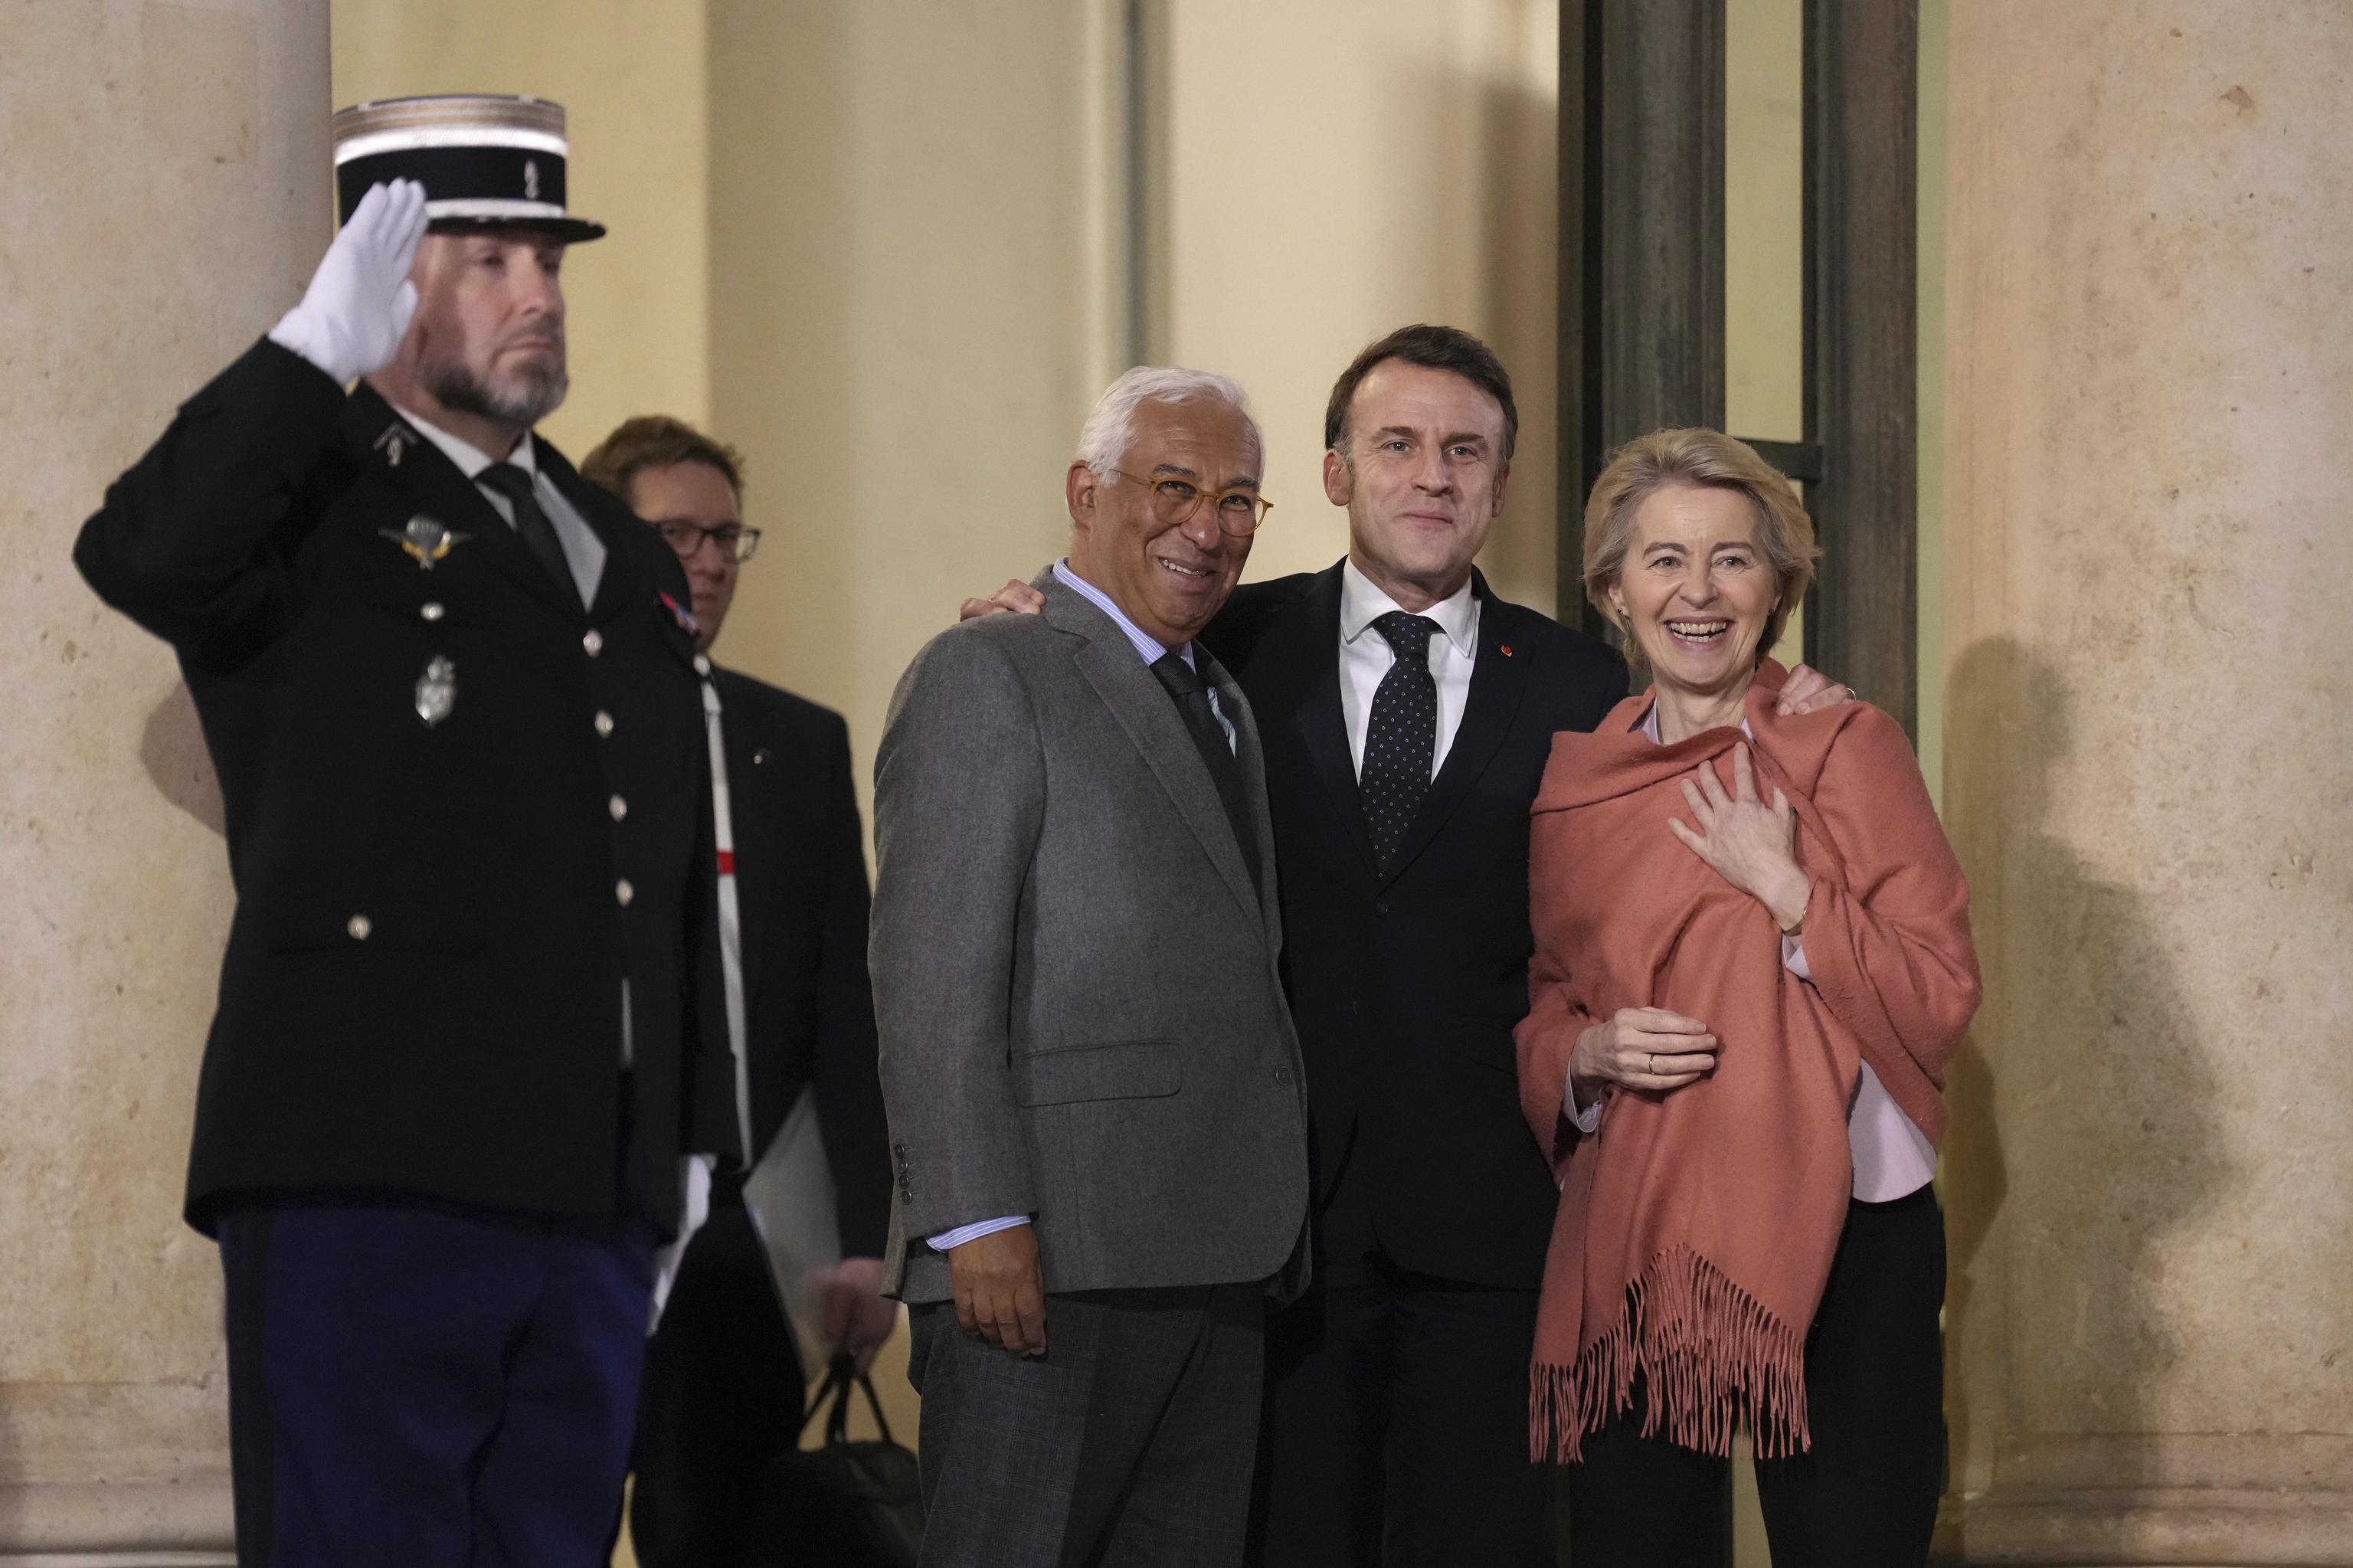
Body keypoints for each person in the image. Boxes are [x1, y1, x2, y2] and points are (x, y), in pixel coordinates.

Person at [963, 326, 1851, 1565]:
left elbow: (1708, 721)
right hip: (1266, 1228)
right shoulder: (1220, 643)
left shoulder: (1582, 686)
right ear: (1336, 473)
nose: (1433, 474)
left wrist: (1790, 697)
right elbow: (1087, 654)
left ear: (1499, 484)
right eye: (1399, 445)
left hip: (1496, 1227)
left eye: (1466, 451)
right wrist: (1032, 610)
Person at [72, 99, 740, 1565]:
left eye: (549, 264)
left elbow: (662, 854)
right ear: (384, 283)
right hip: (368, 1163)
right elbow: (137, 551)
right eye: (488, 260)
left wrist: (682, 1136)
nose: (537, 298)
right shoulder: (311, 501)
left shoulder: (604, 541)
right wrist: (309, 359)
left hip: (584, 1183)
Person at [1515, 427, 1980, 1566]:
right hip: (1648, 1226)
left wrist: (1790, 893)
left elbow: (1940, 991)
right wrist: (1585, 1057)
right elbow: (1548, 1000)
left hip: (1849, 1230)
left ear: (1778, 586)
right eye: (1664, 560)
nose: (1698, 592)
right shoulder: (1575, 785)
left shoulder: (1845, 743)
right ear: (1614, 591)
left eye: (1733, 559)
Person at [874, 368, 1313, 1566]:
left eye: (1237, 501)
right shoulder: (989, 669)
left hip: (1214, 1263)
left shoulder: (1221, 698)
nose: (1209, 526)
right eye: (1173, 486)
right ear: (1086, 491)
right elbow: (931, 971)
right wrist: (977, 1220)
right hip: (1046, 1266)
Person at [581, 416, 898, 1565]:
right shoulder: (549, 726)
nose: (709, 562)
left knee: (713, 1537)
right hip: (580, 1211)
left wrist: (863, 1241)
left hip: (750, 1239)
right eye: (677, 534)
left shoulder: (797, 744)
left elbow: (842, 1013)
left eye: (725, 537)